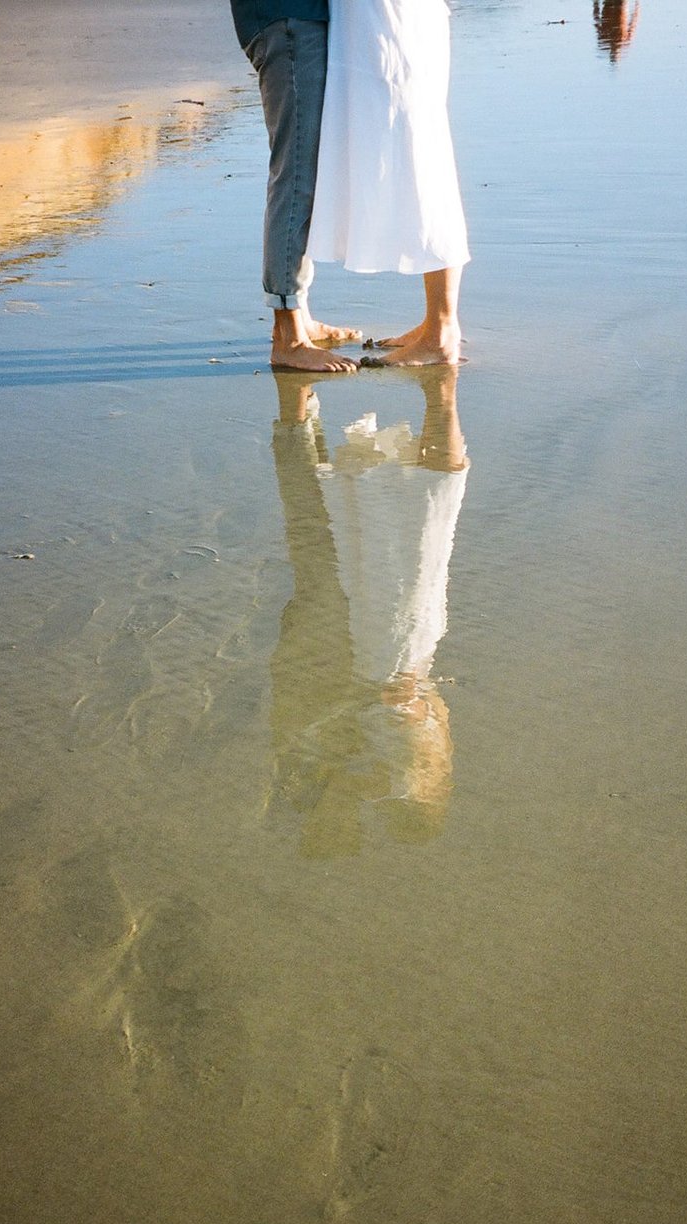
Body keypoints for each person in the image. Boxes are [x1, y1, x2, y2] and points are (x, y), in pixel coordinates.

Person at [268, 366, 469, 854]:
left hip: (370, 648)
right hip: (375, 648)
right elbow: (403, 703)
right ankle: (302, 396)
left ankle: (299, 396)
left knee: (386, 529)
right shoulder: (409, 775)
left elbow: (413, 707)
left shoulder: (412, 773)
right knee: (393, 528)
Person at [307, 0, 469, 367]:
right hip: (378, 21)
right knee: (418, 153)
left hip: (392, 21)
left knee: (422, 159)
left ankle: (441, 331)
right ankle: (436, 323)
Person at [230, 2, 361, 371]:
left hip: (293, 16)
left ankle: (298, 315)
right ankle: (287, 337)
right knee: (297, 170)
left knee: (304, 168)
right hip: (286, 16)